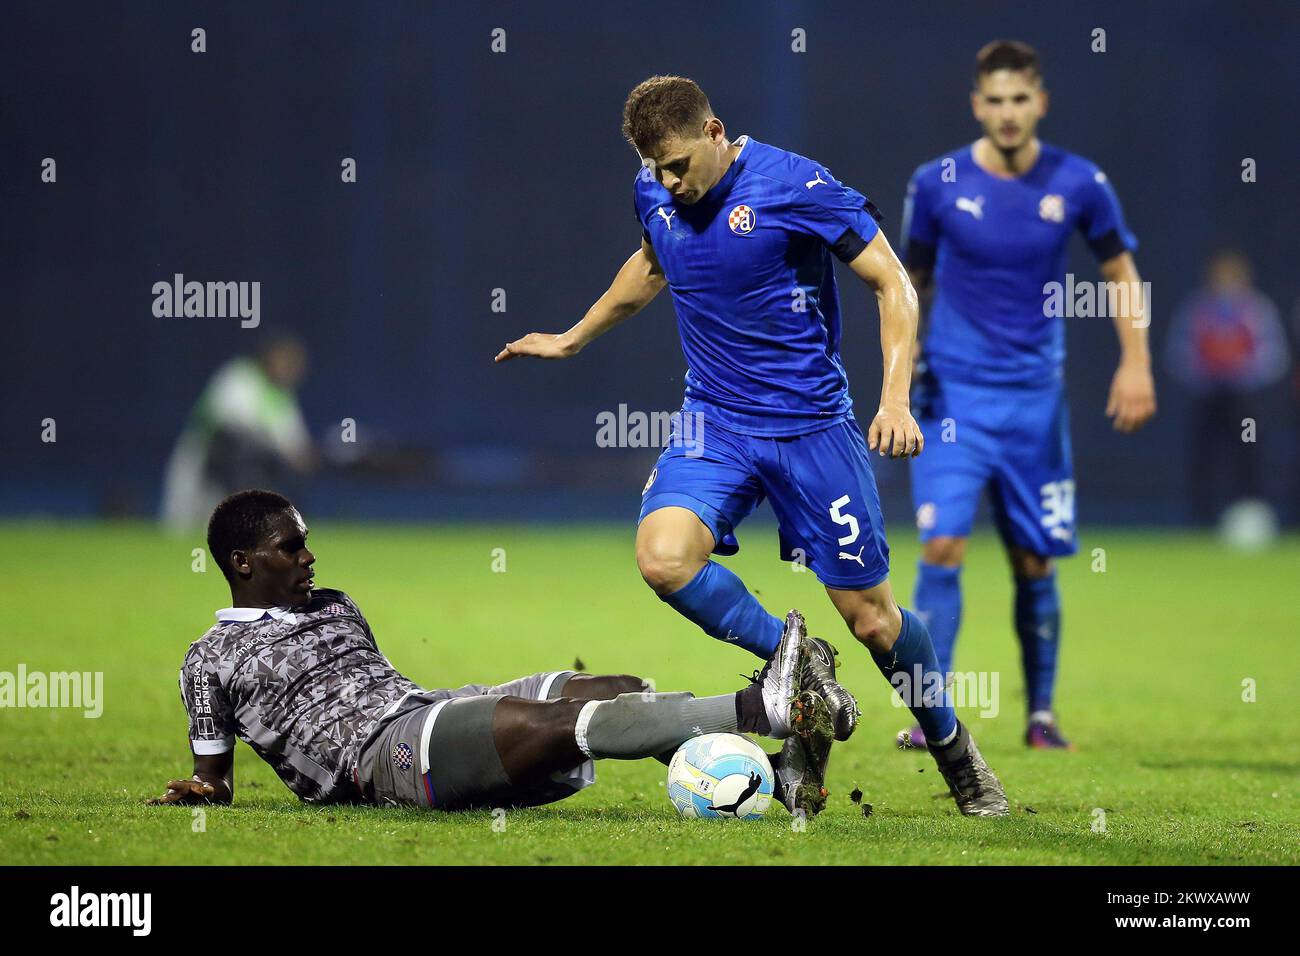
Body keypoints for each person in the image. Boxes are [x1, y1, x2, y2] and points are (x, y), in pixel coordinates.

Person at [496, 76, 1007, 815]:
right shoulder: (655, 193)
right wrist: (574, 338)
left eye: (678, 165)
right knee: (662, 557)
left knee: (874, 619)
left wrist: (895, 398)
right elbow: (651, 265)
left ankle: (955, 751)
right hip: (716, 423)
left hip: (812, 429)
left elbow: (892, 283)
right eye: (654, 170)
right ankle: (797, 660)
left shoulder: (795, 184)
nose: (669, 184)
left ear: (714, 132)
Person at [148, 490, 842, 816]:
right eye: (290, 547)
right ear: (241, 562)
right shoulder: (211, 658)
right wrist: (203, 788)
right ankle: (762, 708)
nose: (309, 556)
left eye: (305, 541)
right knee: (546, 727)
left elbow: (378, 686)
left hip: (416, 713)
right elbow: (217, 775)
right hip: (372, 763)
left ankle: (782, 778)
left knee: (609, 687)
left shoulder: (333, 602)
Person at [898, 41, 1156, 751]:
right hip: (952, 396)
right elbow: (906, 284)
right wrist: (898, 376)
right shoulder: (937, 182)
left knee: (1032, 560)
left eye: (1021, 99)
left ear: (1039, 102)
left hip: (1033, 402)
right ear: (976, 104)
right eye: (995, 100)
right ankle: (933, 715)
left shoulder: (1079, 181)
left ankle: (1040, 715)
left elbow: (1122, 272)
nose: (1008, 113)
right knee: (942, 542)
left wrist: (1136, 362)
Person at [1165, 249, 1289, 522]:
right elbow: (1179, 352)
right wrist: (1207, 371)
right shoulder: (1197, 309)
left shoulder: (1256, 310)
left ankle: (1249, 513)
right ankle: (1202, 519)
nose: (1226, 282)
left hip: (1243, 402)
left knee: (1247, 452)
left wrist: (1242, 370)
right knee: (1204, 457)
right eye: (1221, 276)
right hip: (1209, 399)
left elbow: (1274, 355)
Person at [160, 338, 314, 531]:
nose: (290, 368)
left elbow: (297, 449)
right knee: (180, 523)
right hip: (202, 459)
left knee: (219, 531)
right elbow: (232, 429)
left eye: (294, 364)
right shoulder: (240, 376)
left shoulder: (281, 396)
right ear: (269, 356)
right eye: (285, 360)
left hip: (235, 476)